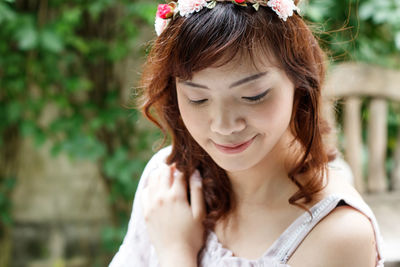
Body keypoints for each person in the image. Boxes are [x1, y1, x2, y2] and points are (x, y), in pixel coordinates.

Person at [110, 0, 385, 266]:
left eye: (253, 96)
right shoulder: (168, 183)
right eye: (197, 98)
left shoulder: (338, 235)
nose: (223, 125)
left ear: (300, 83)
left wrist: (175, 253)